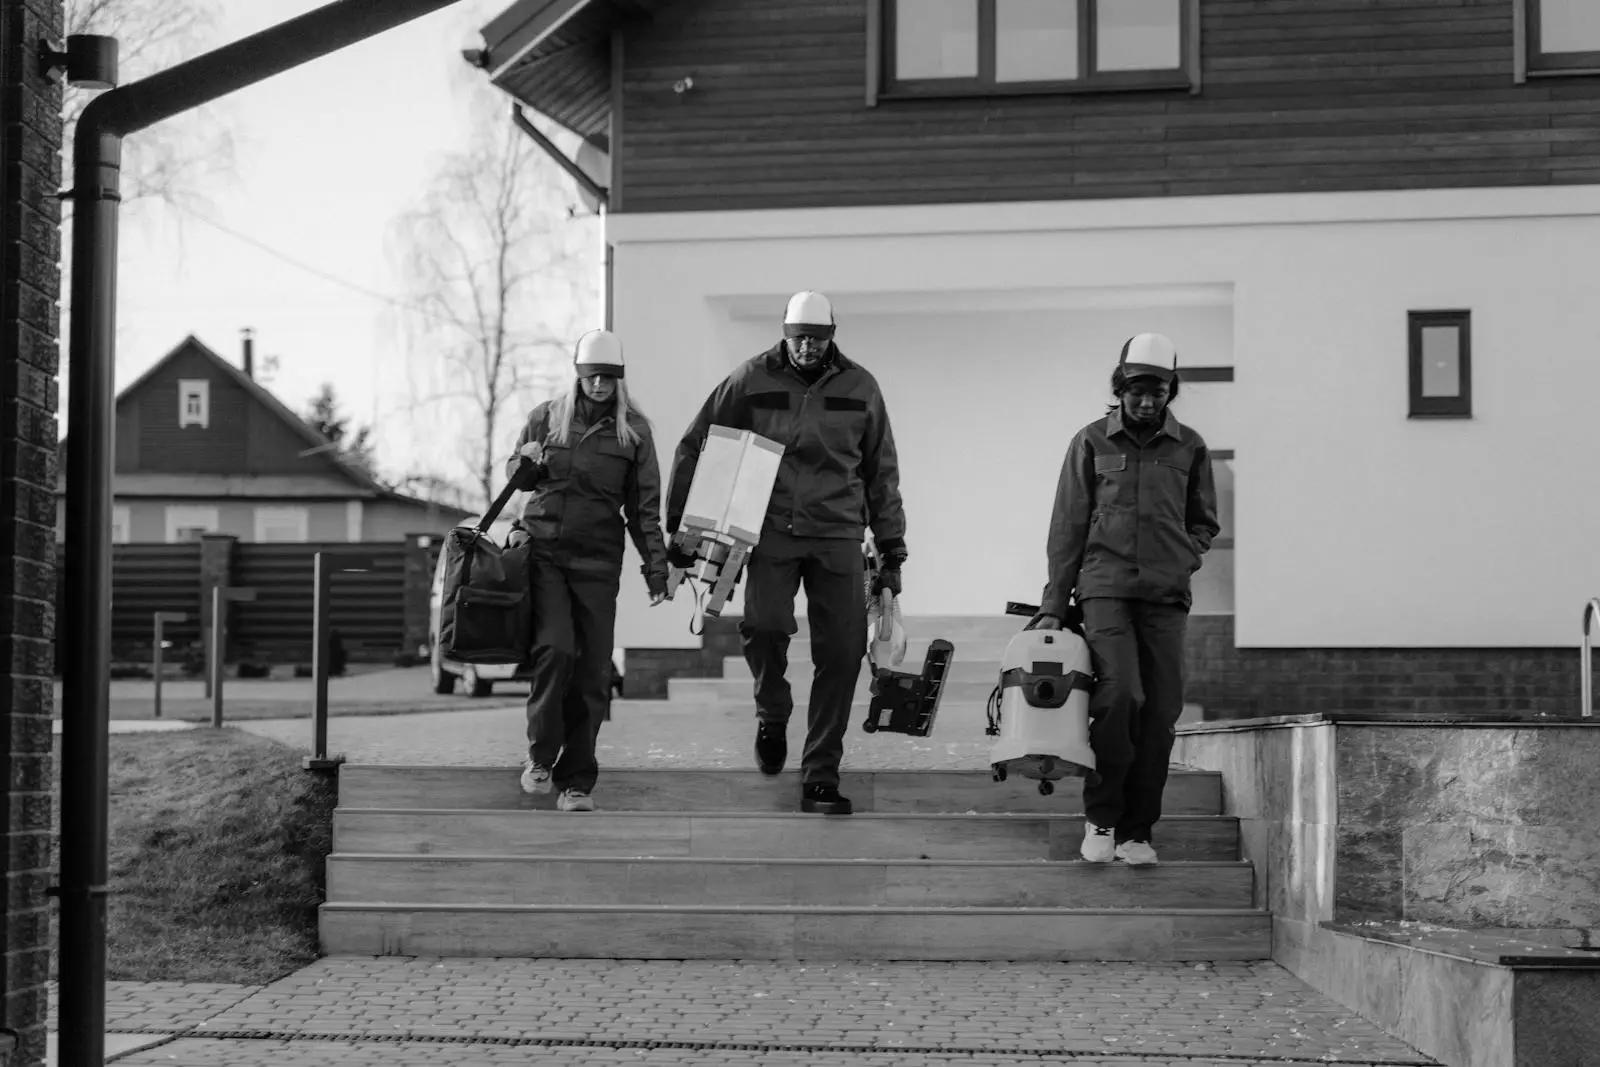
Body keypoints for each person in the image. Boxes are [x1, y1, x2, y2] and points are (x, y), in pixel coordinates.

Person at [666, 291, 907, 816]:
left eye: (816, 339)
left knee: (842, 654)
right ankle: (772, 712)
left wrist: (892, 550)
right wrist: (679, 528)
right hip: (772, 528)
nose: (805, 347)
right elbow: (697, 444)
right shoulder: (751, 379)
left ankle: (821, 775)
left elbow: (881, 470)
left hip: (839, 534)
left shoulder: (861, 386)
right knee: (765, 625)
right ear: (784, 332)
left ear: (831, 337)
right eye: (798, 337)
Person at [1031, 333, 1219, 866]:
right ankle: (1102, 818)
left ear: (1169, 392)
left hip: (1165, 596)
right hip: (1105, 590)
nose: (1145, 401)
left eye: (1156, 391)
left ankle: (1138, 832)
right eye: (1136, 390)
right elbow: (1067, 524)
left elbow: (1204, 521)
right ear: (1120, 388)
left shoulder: (1190, 446)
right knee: (1120, 699)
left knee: (1160, 712)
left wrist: (1184, 554)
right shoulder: (1091, 441)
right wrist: (1053, 600)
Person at [506, 329, 669, 812]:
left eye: (608, 377)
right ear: (578, 376)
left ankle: (576, 781)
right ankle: (540, 757)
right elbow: (519, 478)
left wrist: (656, 569)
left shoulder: (634, 431)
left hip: (598, 561)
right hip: (547, 555)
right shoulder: (546, 417)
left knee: (594, 671)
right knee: (555, 651)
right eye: (591, 376)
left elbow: (644, 508)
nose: (599, 385)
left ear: (619, 379)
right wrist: (526, 462)